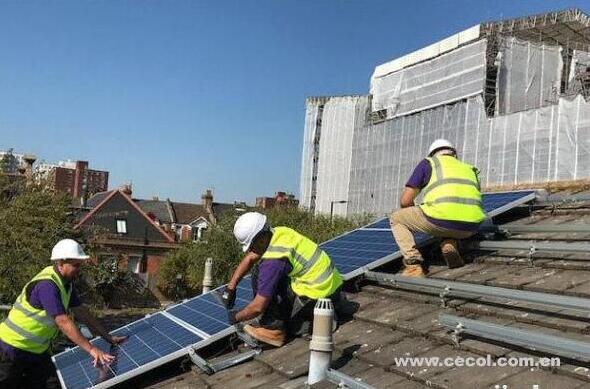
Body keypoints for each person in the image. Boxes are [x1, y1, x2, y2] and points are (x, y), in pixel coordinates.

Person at [0, 239, 126, 389]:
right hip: (11, 350)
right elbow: (62, 321)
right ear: (60, 264)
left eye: (79, 265)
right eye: (75, 265)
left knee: (51, 385)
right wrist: (91, 349)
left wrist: (108, 337)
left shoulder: (66, 284)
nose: (78, 269)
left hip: (36, 352)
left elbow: (82, 313)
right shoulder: (47, 286)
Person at [222, 212, 343, 347]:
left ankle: (275, 331)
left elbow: (258, 306)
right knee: (265, 275)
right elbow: (250, 258)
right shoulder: (279, 232)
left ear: (261, 239)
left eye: (251, 245)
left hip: (318, 298)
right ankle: (321, 315)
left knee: (292, 324)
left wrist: (235, 317)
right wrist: (231, 287)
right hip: (332, 288)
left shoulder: (274, 261)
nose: (250, 250)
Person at [390, 139, 486, 277]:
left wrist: (415, 221)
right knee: (445, 215)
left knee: (397, 218)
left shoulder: (428, 163)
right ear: (454, 155)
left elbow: (405, 201)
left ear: (432, 154)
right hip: (471, 227)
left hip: (440, 221)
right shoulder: (470, 168)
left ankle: (413, 266)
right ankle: (449, 243)